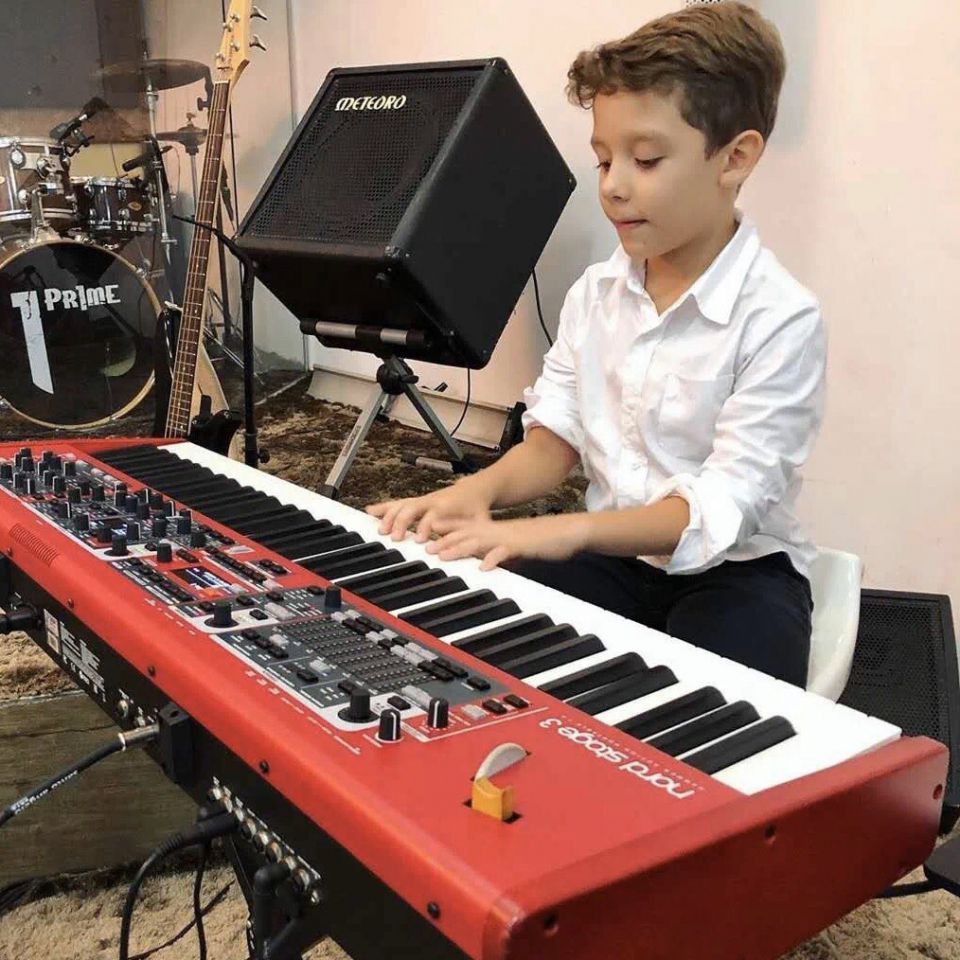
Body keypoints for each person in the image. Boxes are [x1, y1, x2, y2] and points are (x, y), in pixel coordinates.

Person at [367, 2, 824, 687]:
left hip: (740, 573)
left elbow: (722, 506)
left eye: (645, 160)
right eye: (604, 159)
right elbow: (555, 442)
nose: (612, 185)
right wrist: (478, 492)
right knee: (465, 641)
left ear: (735, 158)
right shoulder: (594, 295)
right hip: (612, 559)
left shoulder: (783, 318)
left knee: (728, 709)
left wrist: (563, 531)